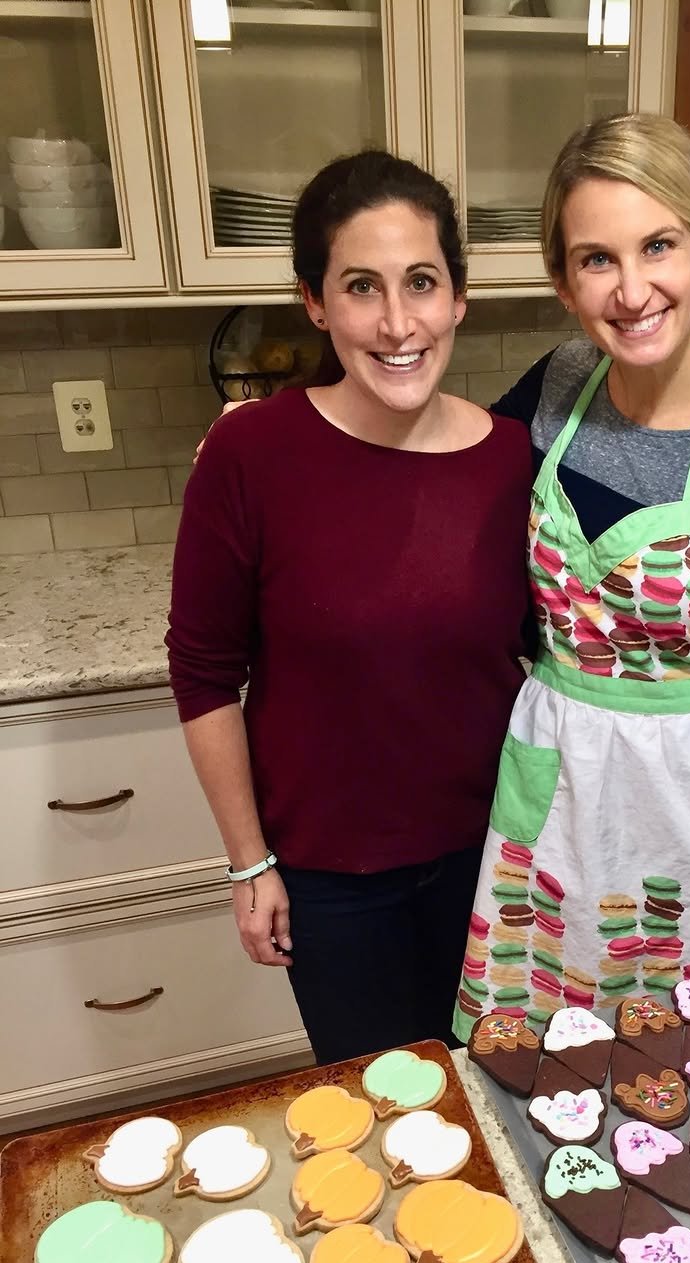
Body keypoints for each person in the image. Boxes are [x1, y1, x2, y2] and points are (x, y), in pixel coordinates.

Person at [450, 113, 690, 1040]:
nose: (632, 291)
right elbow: (449, 472)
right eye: (597, 259)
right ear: (562, 280)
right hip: (561, 788)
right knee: (538, 1058)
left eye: (658, 246)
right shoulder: (558, 386)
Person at [166, 150, 533, 1064]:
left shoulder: (515, 459)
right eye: (362, 287)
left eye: (422, 282)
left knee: (502, 1095)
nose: (398, 321)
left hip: (497, 862)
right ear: (316, 304)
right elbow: (204, 671)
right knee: (384, 1112)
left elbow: (559, 652)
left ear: (459, 297)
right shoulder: (251, 455)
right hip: (330, 880)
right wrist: (248, 861)